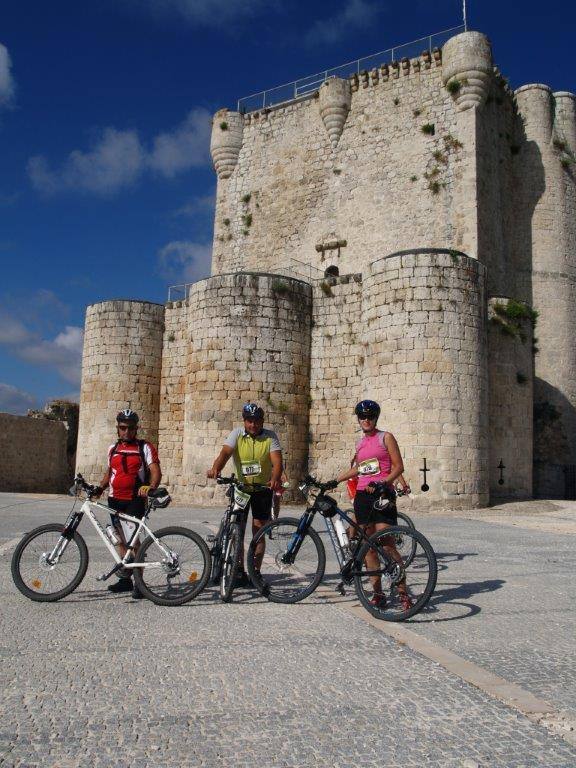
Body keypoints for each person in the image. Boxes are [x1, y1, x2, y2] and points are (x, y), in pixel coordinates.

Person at [335, 399, 413, 611]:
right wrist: (336, 480)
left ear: (375, 418)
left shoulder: (385, 437)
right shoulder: (360, 443)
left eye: (369, 416)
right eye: (362, 417)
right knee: (367, 546)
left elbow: (398, 467)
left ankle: (403, 592)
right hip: (363, 496)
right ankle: (378, 593)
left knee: (386, 543)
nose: (366, 420)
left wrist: (383, 483)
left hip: (382, 495)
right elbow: (360, 469)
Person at [207, 403, 283, 585]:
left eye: (256, 421)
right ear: (244, 421)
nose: (253, 425)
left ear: (262, 421)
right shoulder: (237, 434)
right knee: (238, 529)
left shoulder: (270, 437)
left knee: (259, 531)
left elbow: (277, 461)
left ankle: (255, 571)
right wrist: (216, 468)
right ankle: (238, 569)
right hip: (242, 488)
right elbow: (225, 453)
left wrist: (275, 477)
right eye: (249, 421)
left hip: (262, 489)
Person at [95, 409, 161, 599]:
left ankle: (140, 583)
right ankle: (125, 580)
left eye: (130, 428)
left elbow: (155, 470)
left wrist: (151, 487)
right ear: (118, 428)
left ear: (136, 428)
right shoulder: (112, 448)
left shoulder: (144, 447)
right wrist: (100, 487)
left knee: (134, 541)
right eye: (123, 428)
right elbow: (111, 472)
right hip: (114, 499)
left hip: (134, 500)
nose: (126, 432)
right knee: (120, 539)